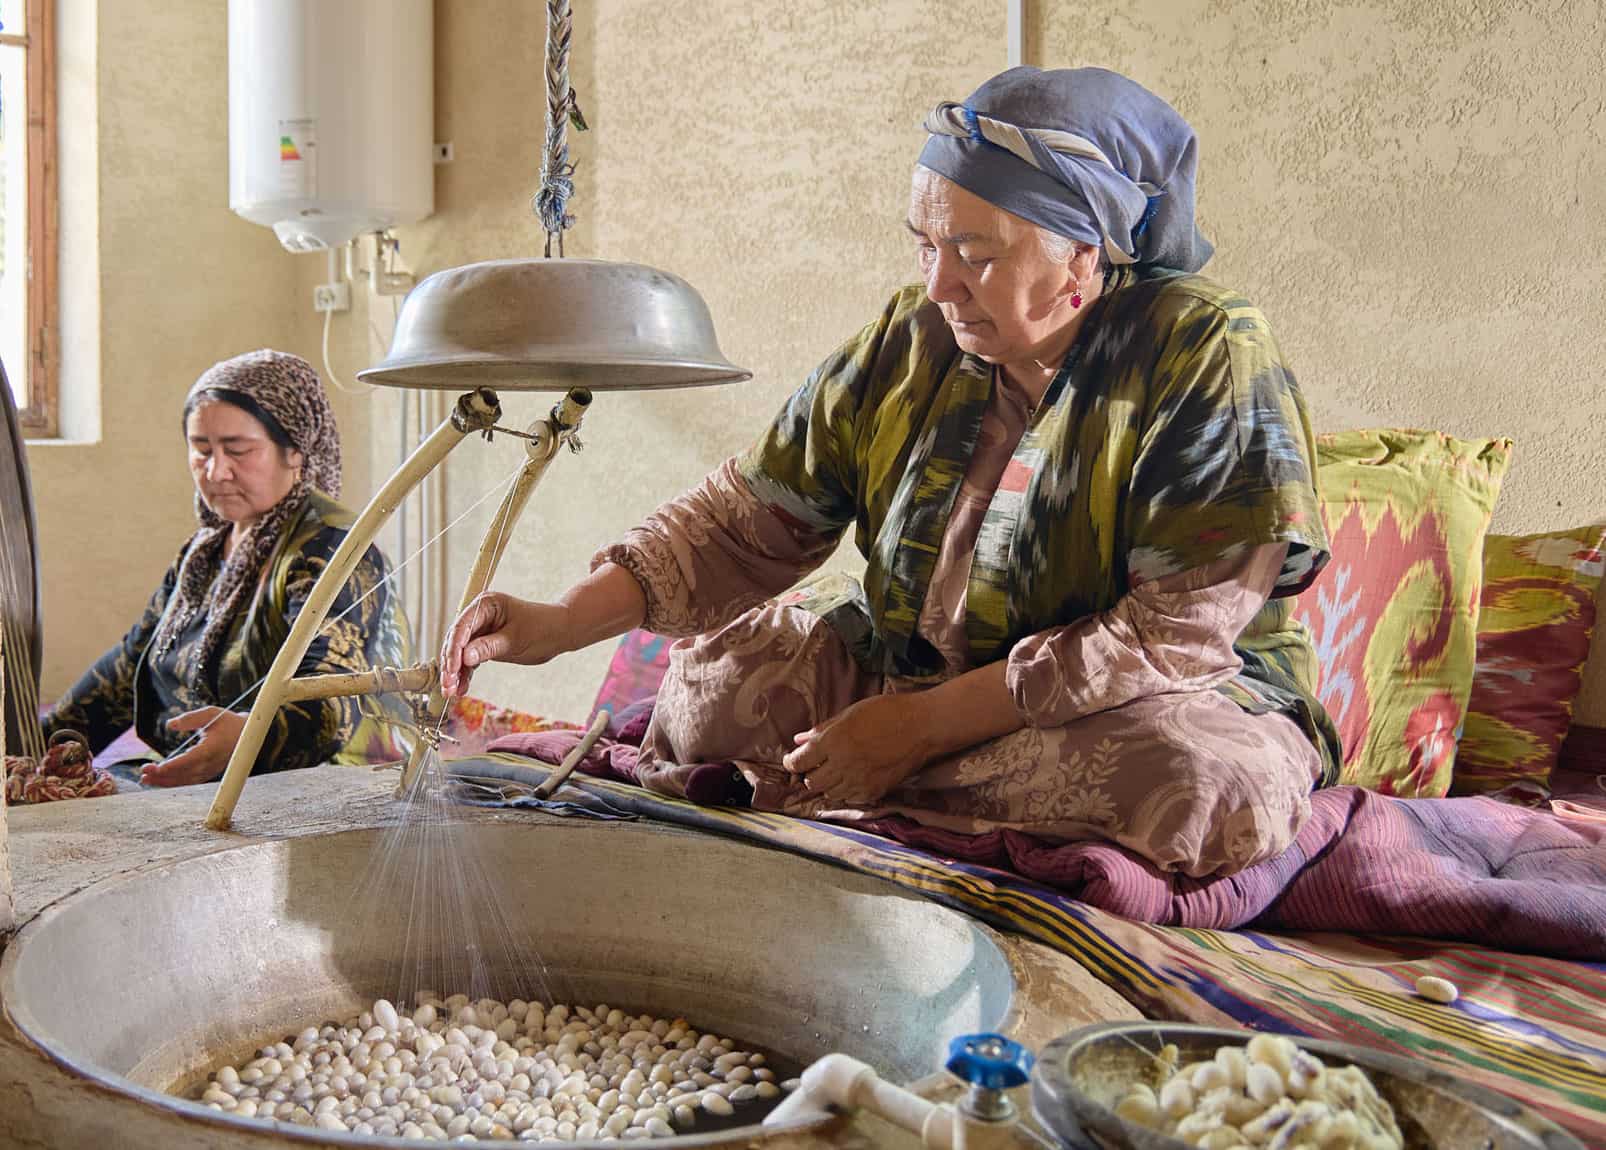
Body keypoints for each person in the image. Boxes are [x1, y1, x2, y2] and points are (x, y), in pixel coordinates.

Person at [438, 67, 1341, 877]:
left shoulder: (1203, 348)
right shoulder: (913, 339)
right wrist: (561, 623)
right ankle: (900, 781)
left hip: (1133, 701)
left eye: (976, 255)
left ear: (1084, 252)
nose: (941, 283)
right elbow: (744, 520)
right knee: (709, 686)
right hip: (906, 675)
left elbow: (1166, 640)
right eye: (925, 245)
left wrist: (919, 729)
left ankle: (880, 779)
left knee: (1207, 789)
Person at [44, 350, 411, 786]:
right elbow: (129, 667)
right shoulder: (204, 553)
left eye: (238, 450)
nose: (216, 472)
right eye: (201, 450)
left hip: (322, 786)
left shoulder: (331, 549)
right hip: (207, 778)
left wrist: (247, 738)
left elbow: (331, 699)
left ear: (295, 452)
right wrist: (40, 747)